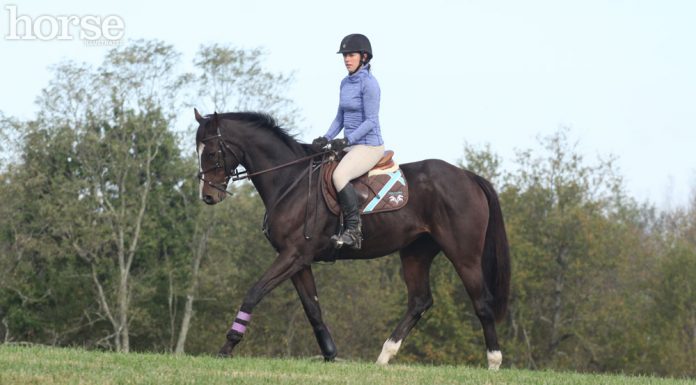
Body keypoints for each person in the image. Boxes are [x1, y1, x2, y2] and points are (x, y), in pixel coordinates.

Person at [312, 33, 385, 250]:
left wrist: (347, 140)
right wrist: (326, 137)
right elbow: (340, 118)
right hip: (351, 145)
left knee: (339, 175)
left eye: (350, 55)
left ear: (363, 57)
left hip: (369, 145)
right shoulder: (345, 83)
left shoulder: (370, 84)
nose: (346, 59)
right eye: (344, 55)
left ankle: (354, 230)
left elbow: (371, 121)